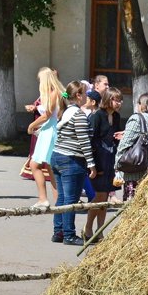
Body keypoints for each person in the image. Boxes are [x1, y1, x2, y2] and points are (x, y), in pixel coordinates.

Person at [49, 87, 96, 245]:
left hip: (57, 156)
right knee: (71, 199)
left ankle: (59, 231)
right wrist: (91, 164)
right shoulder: (78, 114)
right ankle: (69, 235)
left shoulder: (66, 111)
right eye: (85, 93)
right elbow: (84, 141)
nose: (86, 96)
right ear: (78, 95)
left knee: (62, 197)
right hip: (71, 159)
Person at [83, 87, 124, 241]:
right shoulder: (97, 116)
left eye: (120, 100)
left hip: (110, 160)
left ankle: (100, 231)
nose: (118, 103)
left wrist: (121, 136)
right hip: (98, 161)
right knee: (98, 196)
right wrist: (92, 164)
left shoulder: (117, 116)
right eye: (115, 99)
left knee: (105, 197)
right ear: (107, 99)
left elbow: (115, 136)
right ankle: (88, 228)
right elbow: (90, 140)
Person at [115, 92, 148, 200]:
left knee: (132, 205)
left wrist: (117, 166)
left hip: (136, 165)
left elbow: (124, 144)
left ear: (142, 105)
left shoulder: (137, 118)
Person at [26, 68, 64, 209]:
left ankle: (44, 199)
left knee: (35, 165)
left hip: (50, 130)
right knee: (48, 166)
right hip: (49, 129)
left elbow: (47, 114)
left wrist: (32, 125)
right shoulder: (56, 92)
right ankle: (57, 200)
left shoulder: (54, 93)